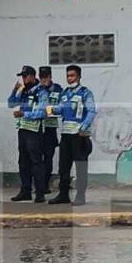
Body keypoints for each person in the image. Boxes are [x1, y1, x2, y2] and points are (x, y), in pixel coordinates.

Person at [49, 64, 97, 206]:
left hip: (79, 135)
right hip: (65, 135)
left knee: (81, 166)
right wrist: (52, 109)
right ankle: (63, 194)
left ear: (79, 76)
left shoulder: (85, 93)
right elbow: (61, 109)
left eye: (73, 76)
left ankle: (80, 196)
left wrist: (83, 127)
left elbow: (92, 111)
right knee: (63, 166)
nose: (70, 78)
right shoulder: (64, 93)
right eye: (68, 76)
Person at [7, 65, 48, 203]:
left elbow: (43, 112)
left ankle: (40, 193)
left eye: (25, 76)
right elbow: (11, 104)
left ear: (32, 76)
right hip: (23, 130)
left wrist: (24, 113)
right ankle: (25, 191)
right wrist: (14, 91)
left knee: (36, 162)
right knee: (23, 162)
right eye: (22, 76)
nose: (23, 79)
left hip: (35, 131)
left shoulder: (41, 91)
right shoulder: (23, 90)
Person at [36, 66, 62, 192]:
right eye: (41, 77)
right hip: (37, 127)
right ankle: (38, 186)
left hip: (50, 128)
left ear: (50, 77)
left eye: (46, 77)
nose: (43, 79)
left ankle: (45, 185)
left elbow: (62, 107)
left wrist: (48, 110)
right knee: (36, 158)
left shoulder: (58, 89)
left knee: (48, 158)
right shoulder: (36, 89)